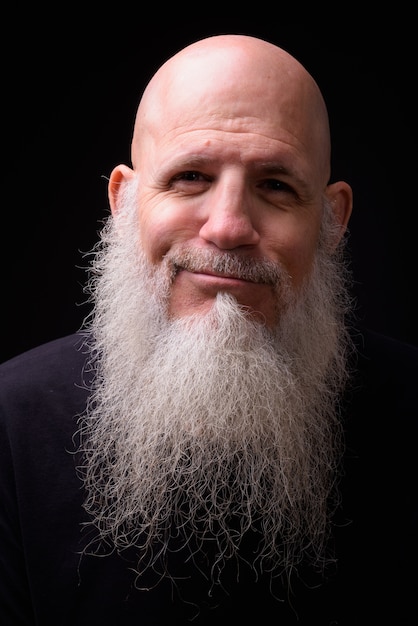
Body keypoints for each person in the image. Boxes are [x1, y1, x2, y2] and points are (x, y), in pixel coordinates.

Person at [0, 34, 417, 626]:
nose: (227, 227)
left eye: (275, 185)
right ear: (125, 201)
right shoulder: (9, 425)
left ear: (331, 221)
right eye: (191, 175)